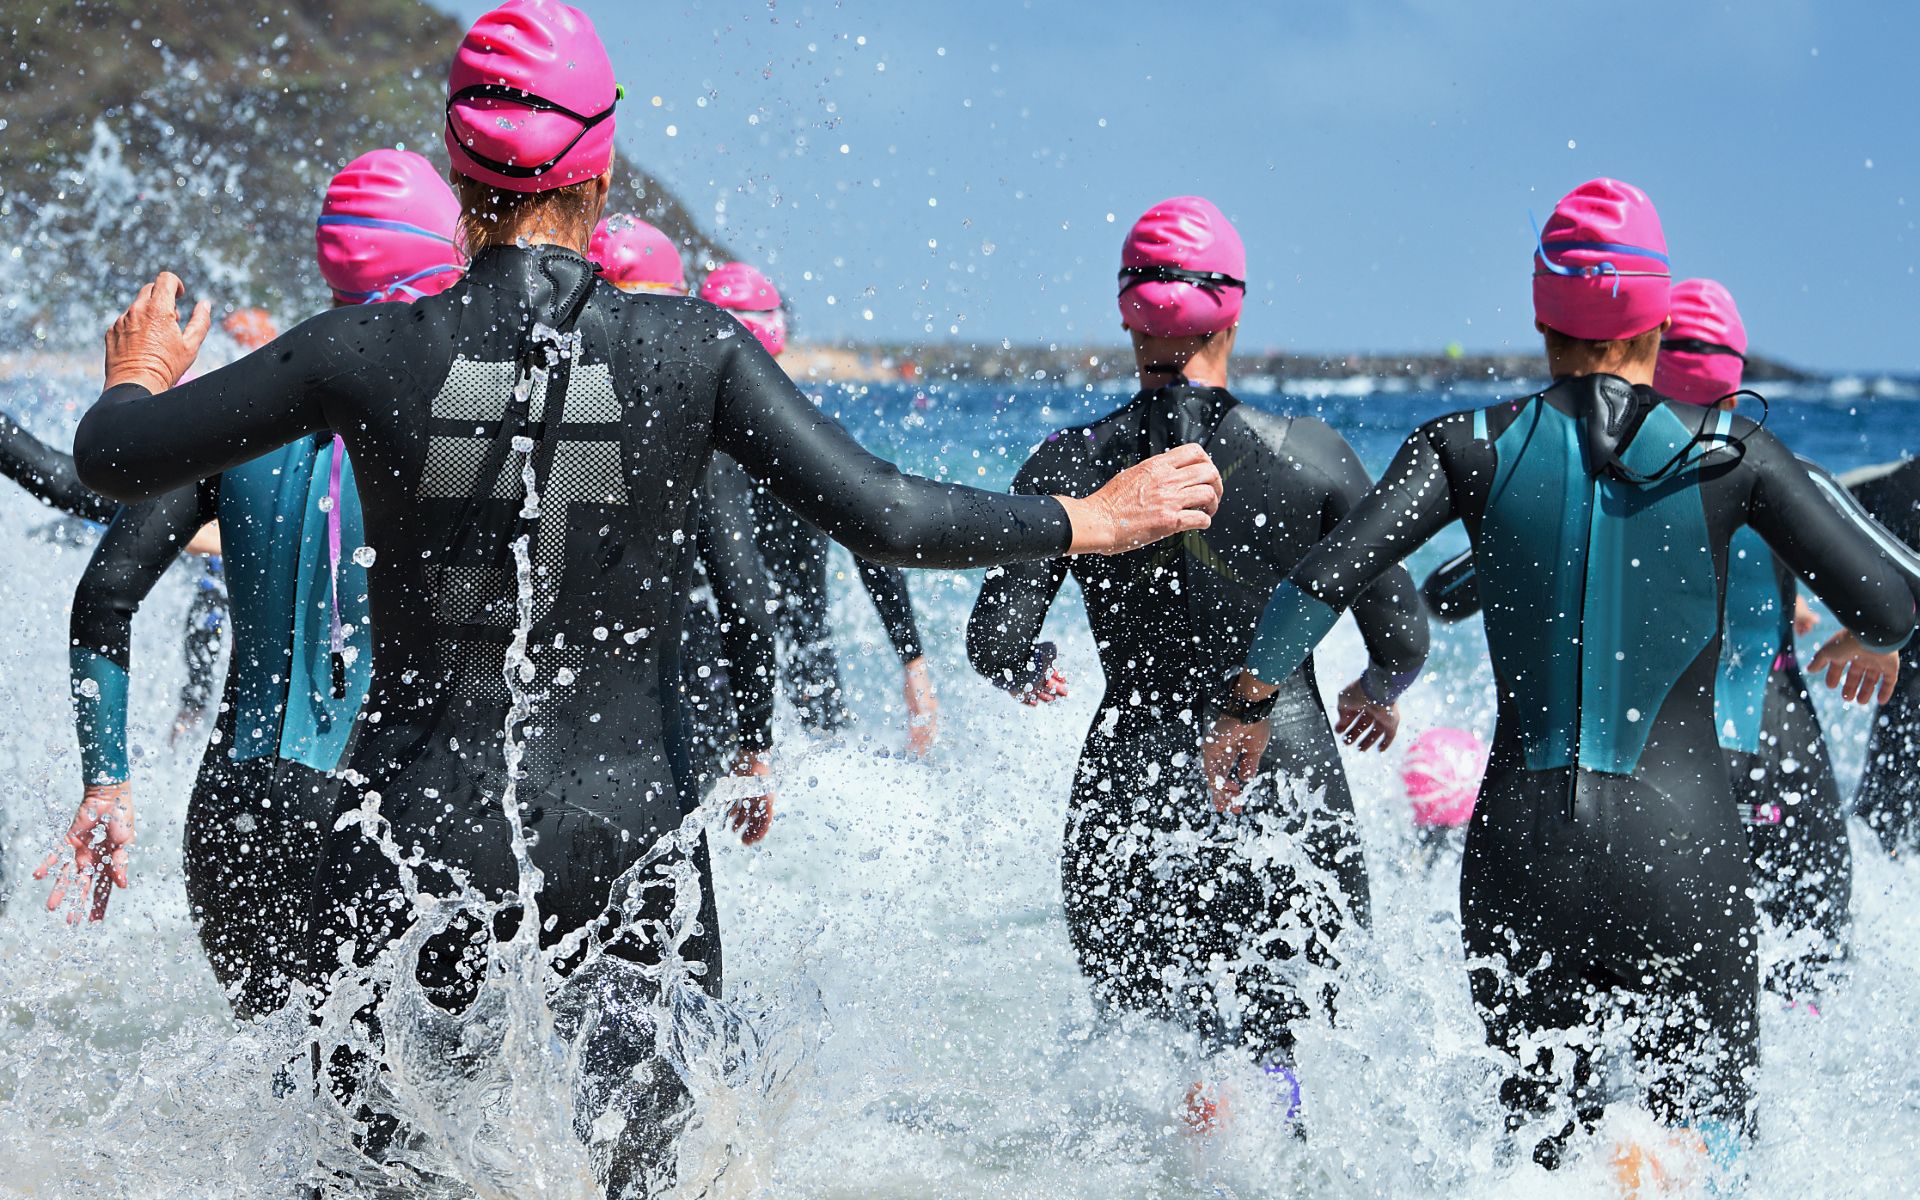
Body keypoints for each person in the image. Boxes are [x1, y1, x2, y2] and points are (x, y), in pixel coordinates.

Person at [69, 3, 1221, 1189]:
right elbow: (886, 511)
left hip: (412, 843)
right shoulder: (692, 350)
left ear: (457, 163)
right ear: (604, 168)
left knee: (376, 1174)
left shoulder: (363, 351)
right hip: (629, 858)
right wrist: (1085, 520)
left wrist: (139, 375)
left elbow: (115, 455)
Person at [1205, 178, 1914, 1172]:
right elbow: (1891, 599)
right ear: (1658, 316)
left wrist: (1248, 701)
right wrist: (1862, 641)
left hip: (1521, 850)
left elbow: (1319, 584)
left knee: (1539, 1147)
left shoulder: (1466, 444)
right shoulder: (1733, 452)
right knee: (1709, 1138)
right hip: (1681, 849)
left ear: (1543, 312)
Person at [966, 196, 1428, 1109]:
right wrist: (1380, 686)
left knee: (1151, 1061)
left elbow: (994, 639)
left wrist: (1028, 669)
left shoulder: (1069, 463)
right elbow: (1403, 632)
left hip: (1128, 775)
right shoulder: (1315, 455)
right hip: (1279, 764)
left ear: (1128, 310)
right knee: (1295, 1056)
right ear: (1236, 307)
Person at [39, 150, 465, 1026]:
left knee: (276, 1100)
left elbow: (107, 595)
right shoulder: (459, 410)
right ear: (444, 257)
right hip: (370, 818)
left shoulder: (246, 406)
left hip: (233, 818)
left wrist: (106, 784)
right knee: (392, 1127)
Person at [588, 215, 778, 837]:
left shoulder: (526, 406)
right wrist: (756, 747)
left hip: (526, 731)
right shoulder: (694, 430)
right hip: (653, 742)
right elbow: (746, 602)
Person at [703, 263, 941, 752]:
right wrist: (913, 665)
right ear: (778, 339)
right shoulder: (811, 437)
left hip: (709, 670)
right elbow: (874, 538)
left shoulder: (677, 444)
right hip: (807, 669)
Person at [1843, 456, 1920, 852]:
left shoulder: (1879, 487)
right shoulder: (1888, 486)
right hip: (1904, 692)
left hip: (1902, 697)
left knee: (1882, 833)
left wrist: (1869, 626)